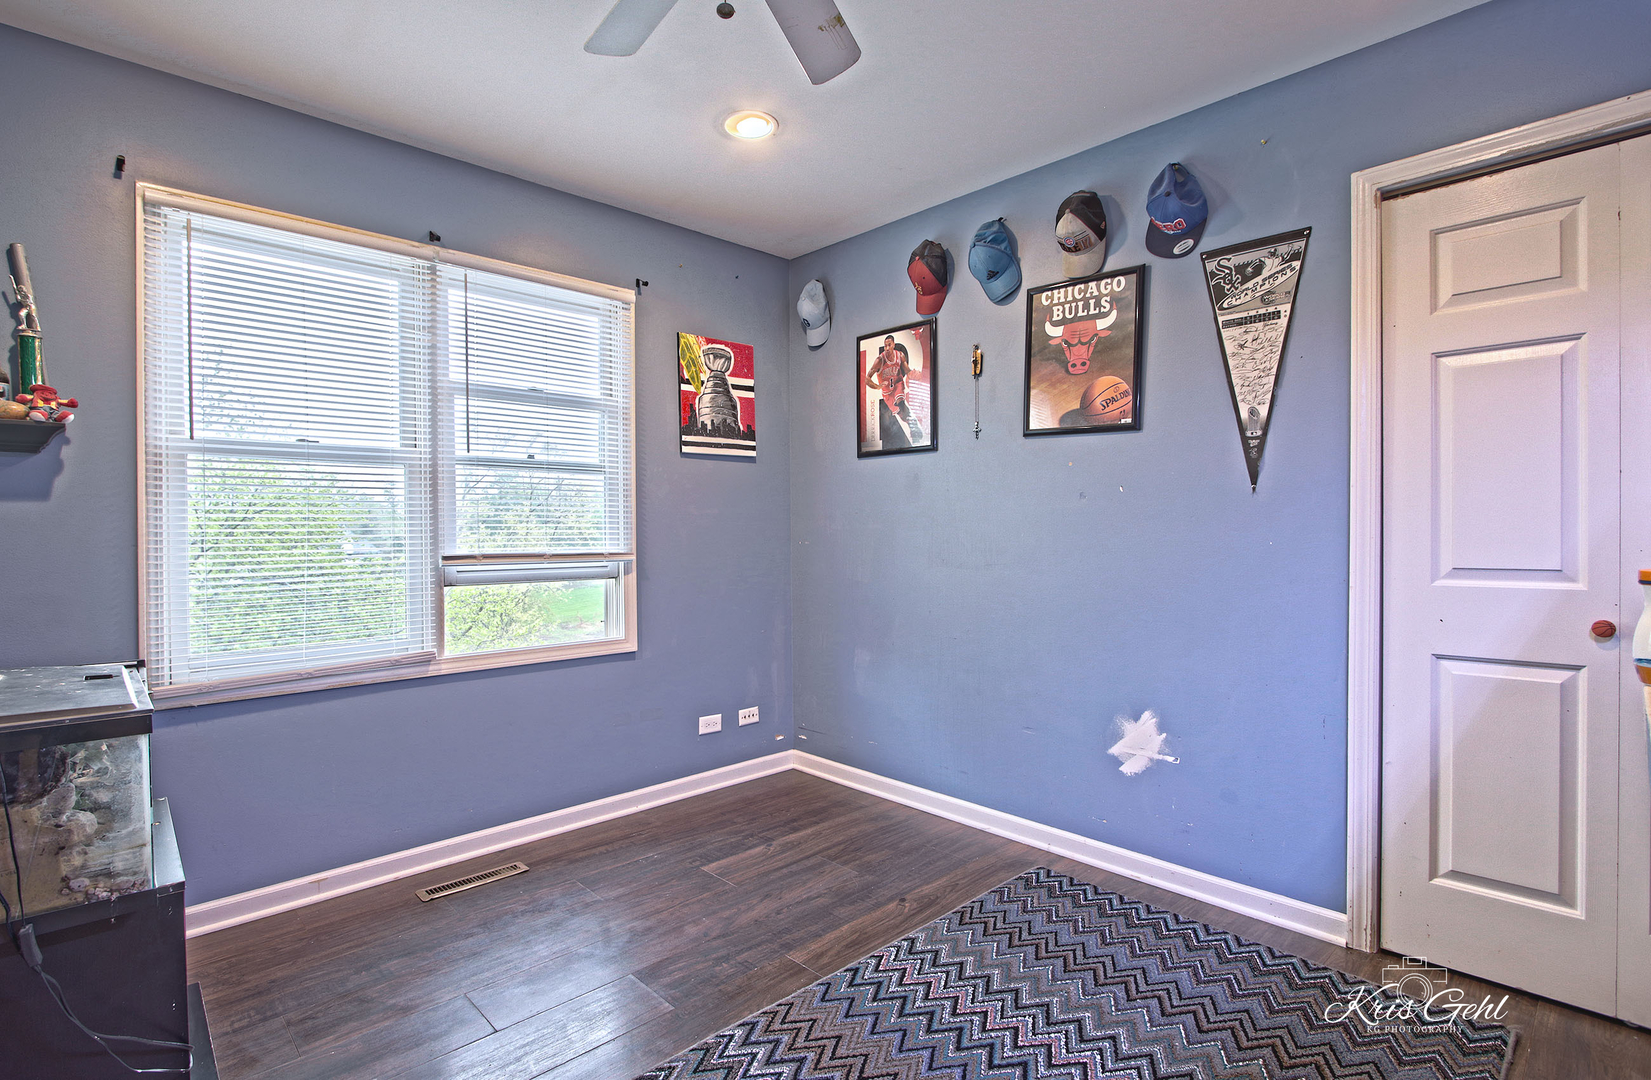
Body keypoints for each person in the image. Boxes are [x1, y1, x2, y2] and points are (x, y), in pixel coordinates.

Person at [866, 336, 921, 445]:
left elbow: (907, 370)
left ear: (894, 344)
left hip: (898, 384)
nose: (887, 348)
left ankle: (914, 430)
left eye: (889, 345)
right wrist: (877, 386)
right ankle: (912, 425)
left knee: (900, 401)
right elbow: (867, 379)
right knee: (901, 414)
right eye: (885, 345)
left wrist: (915, 375)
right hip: (887, 393)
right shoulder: (879, 360)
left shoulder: (900, 355)